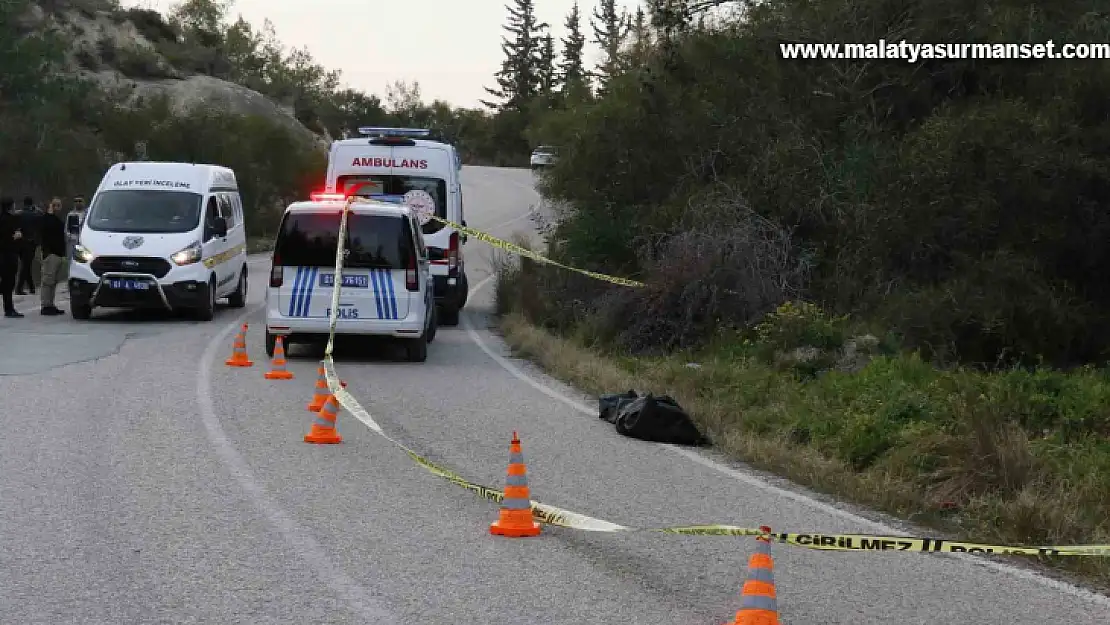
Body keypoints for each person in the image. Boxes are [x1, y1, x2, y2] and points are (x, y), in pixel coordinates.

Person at [38, 197, 67, 315]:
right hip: (50, 254)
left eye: (59, 205)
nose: (57, 207)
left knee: (53, 281)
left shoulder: (57, 220)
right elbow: (45, 228)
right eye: (54, 205)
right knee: (47, 281)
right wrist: (49, 213)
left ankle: (50, 304)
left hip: (58, 254)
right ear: (51, 206)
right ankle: (45, 305)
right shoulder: (46, 219)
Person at [0, 197, 24, 317]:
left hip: (3, 255)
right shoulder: (10, 220)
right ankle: (9, 309)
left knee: (6, 282)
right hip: (9, 254)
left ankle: (8, 307)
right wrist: (15, 236)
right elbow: (7, 239)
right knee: (8, 283)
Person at [14, 196, 40, 295]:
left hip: (19, 242)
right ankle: (19, 288)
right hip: (30, 242)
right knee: (26, 265)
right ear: (32, 204)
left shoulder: (18, 214)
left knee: (26, 264)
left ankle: (32, 287)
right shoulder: (35, 214)